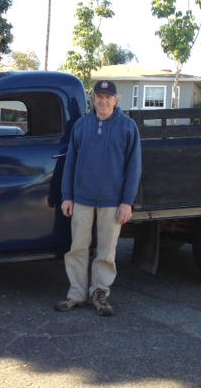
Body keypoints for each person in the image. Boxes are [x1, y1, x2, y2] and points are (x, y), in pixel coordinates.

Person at [55, 80, 142, 316]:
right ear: (93, 99)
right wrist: (67, 196)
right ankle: (76, 294)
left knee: (106, 252)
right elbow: (70, 162)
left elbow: (134, 166)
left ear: (116, 100)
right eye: (99, 96)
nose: (103, 101)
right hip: (82, 198)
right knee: (77, 249)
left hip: (113, 202)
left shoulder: (127, 127)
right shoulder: (81, 126)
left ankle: (99, 294)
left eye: (108, 97)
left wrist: (127, 201)